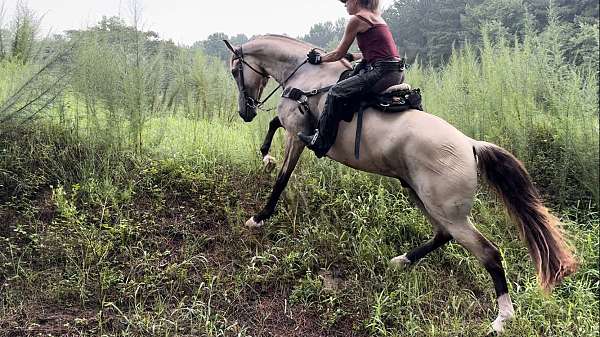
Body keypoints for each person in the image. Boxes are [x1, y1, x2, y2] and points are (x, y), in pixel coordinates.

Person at [298, 0, 405, 158]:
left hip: (381, 73)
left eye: (346, 1)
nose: (344, 5)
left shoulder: (357, 19)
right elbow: (373, 52)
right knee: (347, 82)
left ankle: (320, 141)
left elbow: (337, 54)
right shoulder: (376, 18)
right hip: (396, 71)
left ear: (355, 1)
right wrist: (351, 56)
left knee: (335, 92)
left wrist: (319, 59)